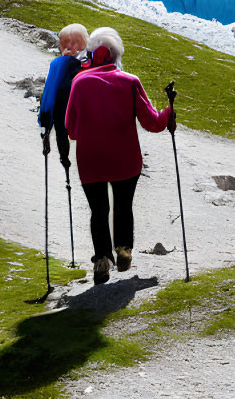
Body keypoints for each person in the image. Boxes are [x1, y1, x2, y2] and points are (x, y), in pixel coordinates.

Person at [65, 26, 174, 284]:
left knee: (99, 209)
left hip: (91, 160)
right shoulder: (130, 81)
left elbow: (71, 129)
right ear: (116, 55)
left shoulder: (79, 83)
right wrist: (170, 108)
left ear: (93, 54)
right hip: (125, 159)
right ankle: (123, 249)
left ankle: (102, 260)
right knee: (123, 205)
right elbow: (153, 123)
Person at [37, 23, 89, 169]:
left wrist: (45, 120)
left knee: (61, 132)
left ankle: (64, 158)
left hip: (62, 108)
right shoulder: (94, 62)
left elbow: (49, 92)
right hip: (85, 111)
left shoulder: (58, 63)